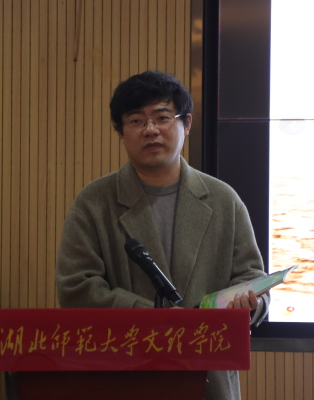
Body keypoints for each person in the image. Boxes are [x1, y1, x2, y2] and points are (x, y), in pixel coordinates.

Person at [56, 70, 269, 399]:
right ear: (121, 132)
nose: (151, 129)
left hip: (206, 378)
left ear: (187, 123)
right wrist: (152, 318)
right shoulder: (94, 202)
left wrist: (248, 304)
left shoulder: (223, 199)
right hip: (121, 379)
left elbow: (254, 278)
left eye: (162, 117)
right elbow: (76, 288)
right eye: (136, 121)